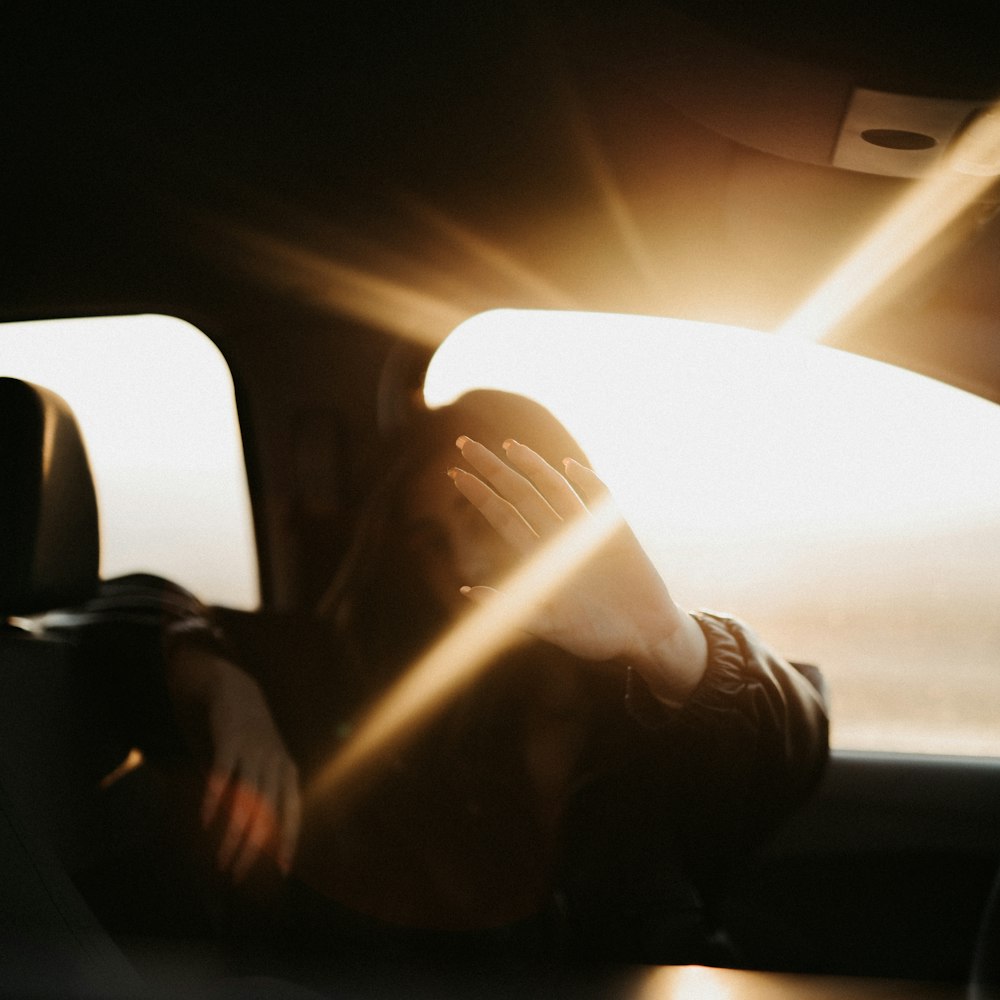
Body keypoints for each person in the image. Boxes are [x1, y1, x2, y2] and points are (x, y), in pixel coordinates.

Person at [49, 389, 828, 968]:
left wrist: (669, 642)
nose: (462, 563)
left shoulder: (654, 683)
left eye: (483, 520)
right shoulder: (369, 675)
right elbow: (113, 610)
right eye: (431, 540)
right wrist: (221, 685)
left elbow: (788, 751)